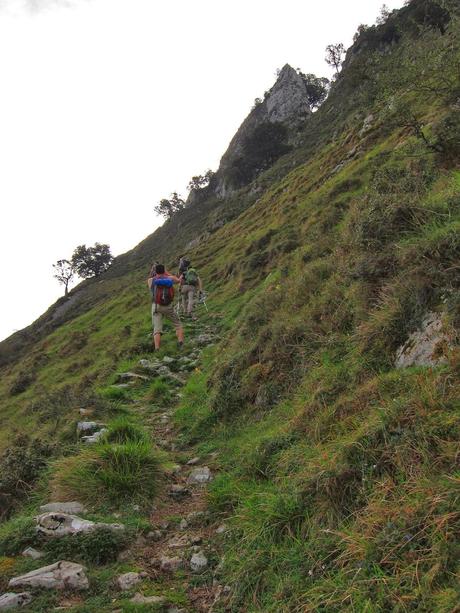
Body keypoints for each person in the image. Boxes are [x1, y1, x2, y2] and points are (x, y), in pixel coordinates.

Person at [147, 263, 184, 350]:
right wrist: (167, 273)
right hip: (167, 306)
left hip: (155, 306)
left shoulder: (151, 280)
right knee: (178, 324)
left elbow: (151, 288)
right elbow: (178, 280)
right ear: (164, 270)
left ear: (155, 271)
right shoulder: (169, 278)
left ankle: (157, 348)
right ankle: (181, 343)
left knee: (157, 329)